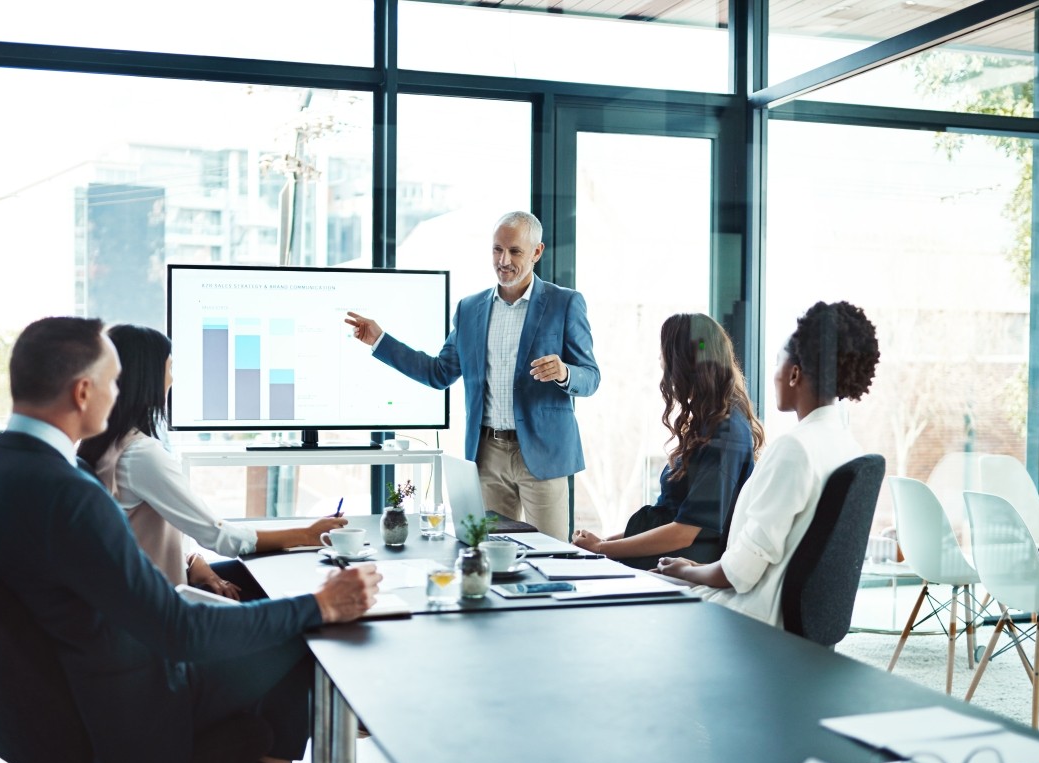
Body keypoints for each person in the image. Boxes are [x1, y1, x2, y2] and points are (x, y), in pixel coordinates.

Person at [0, 317, 381, 763]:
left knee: (267, 623)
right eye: (113, 381)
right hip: (128, 715)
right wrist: (321, 605)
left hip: (37, 712)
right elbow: (179, 632)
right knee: (298, 635)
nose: (120, 392)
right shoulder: (73, 496)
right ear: (83, 392)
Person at [344, 210, 599, 540]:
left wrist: (565, 372)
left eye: (515, 251)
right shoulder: (469, 309)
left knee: (550, 555)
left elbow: (590, 376)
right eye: (497, 249)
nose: (503, 260)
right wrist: (380, 340)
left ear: (537, 252)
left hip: (543, 454)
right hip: (487, 455)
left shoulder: (565, 304)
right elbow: (439, 373)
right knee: (490, 554)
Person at [77, 323, 347, 601]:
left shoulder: (102, 444)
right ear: (148, 377)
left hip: (134, 594)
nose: (172, 380)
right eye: (169, 369)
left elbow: (139, 533)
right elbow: (221, 538)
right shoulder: (140, 455)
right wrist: (307, 534)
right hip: (160, 607)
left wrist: (192, 560)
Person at [655, 301, 880, 627]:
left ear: (794, 374)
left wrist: (687, 571)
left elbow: (739, 573)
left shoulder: (795, 449)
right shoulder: (848, 446)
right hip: (780, 615)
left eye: (777, 362)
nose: (774, 373)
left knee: (632, 593)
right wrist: (692, 570)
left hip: (748, 617)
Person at [571, 313, 763, 570]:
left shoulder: (725, 433)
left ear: (684, 364)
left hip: (682, 563)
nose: (661, 361)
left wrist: (603, 549)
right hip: (671, 556)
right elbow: (672, 519)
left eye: (665, 354)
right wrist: (602, 543)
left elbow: (684, 532)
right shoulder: (710, 423)